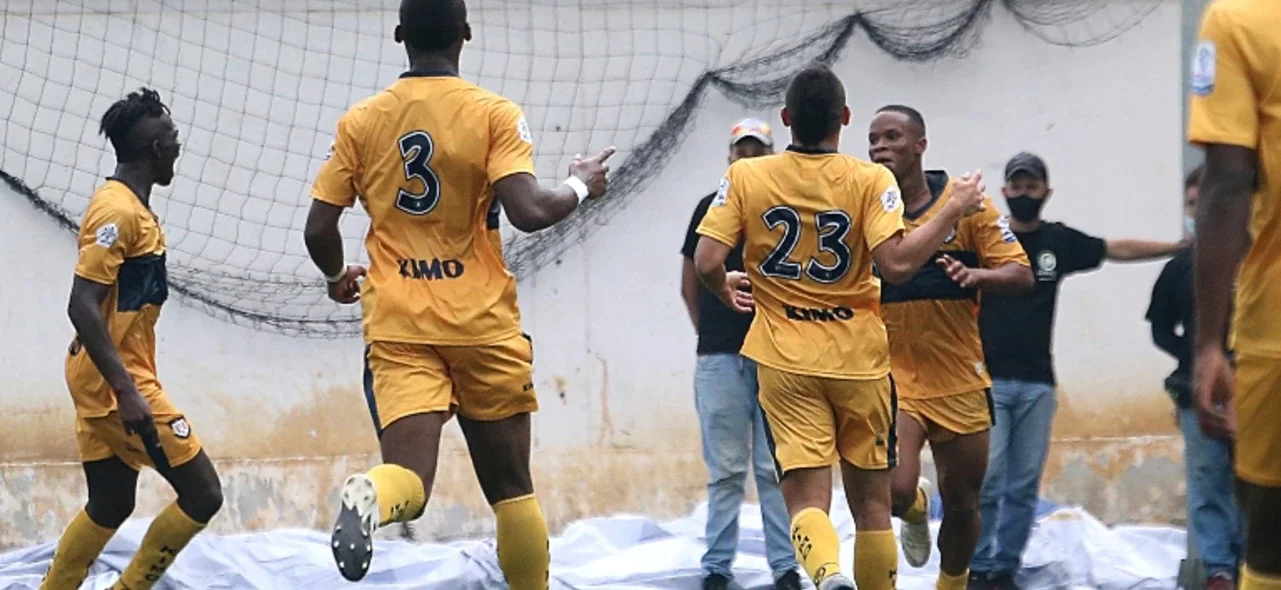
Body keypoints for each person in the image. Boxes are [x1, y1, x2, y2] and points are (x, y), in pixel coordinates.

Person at [302, 0, 613, 586]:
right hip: (481, 323)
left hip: (399, 324)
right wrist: (580, 184)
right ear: (465, 34)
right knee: (512, 491)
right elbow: (528, 211)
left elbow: (318, 228)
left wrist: (335, 274)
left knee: (410, 483)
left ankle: (371, 495)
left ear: (400, 35)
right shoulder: (493, 113)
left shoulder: (361, 121)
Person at [692, 63, 986, 590]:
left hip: (784, 359)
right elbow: (897, 264)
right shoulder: (869, 179)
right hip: (859, 359)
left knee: (806, 499)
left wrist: (723, 287)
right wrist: (951, 210)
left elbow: (707, 259)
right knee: (873, 505)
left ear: (786, 119)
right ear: (844, 118)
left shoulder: (746, 176)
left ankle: (827, 574)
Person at [970, 152, 1182, 589]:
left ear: (1046, 192)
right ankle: (977, 566)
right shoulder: (987, 238)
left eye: (1032, 186)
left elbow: (1114, 249)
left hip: (1038, 384)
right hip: (987, 381)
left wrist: (1177, 248)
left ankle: (1004, 569)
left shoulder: (1058, 242)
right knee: (987, 480)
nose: (1024, 193)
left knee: (1023, 483)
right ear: (1004, 191)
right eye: (1017, 186)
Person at [40, 87, 225, 590]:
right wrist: (126, 390)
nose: (179, 146)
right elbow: (81, 304)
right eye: (174, 137)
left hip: (105, 374)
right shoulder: (116, 213)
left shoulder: (133, 208)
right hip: (114, 383)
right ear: (157, 149)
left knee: (111, 501)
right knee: (204, 493)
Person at [867, 106, 1034, 588]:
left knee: (962, 506)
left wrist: (976, 275)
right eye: (873, 139)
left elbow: (1021, 273)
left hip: (960, 377)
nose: (880, 147)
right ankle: (915, 508)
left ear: (920, 144)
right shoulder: (867, 209)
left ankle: (952, 582)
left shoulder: (967, 205)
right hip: (894, 377)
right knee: (894, 492)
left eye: (892, 136)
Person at [680, 118, 802, 590]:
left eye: (757, 150)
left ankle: (786, 566)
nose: (748, 157)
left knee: (775, 468)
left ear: (772, 156)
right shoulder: (708, 208)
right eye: (741, 150)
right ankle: (716, 567)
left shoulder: (785, 210)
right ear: (729, 157)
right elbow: (691, 283)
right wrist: (712, 337)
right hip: (721, 358)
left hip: (776, 357)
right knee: (726, 470)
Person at [1187, 1, 1281, 588]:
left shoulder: (1240, 18)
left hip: (1275, 323)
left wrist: (1207, 344)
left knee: (1269, 544)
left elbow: (1226, 182)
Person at [1146, 165, 1243, 590]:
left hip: (1256, 391)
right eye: (1190, 204)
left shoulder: (1258, 264)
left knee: (1257, 481)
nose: (1198, 211)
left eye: (1204, 202)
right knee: (1208, 481)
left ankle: (1255, 565)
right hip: (1196, 392)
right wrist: (1198, 359)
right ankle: (1219, 570)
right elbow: (1160, 328)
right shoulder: (1180, 268)